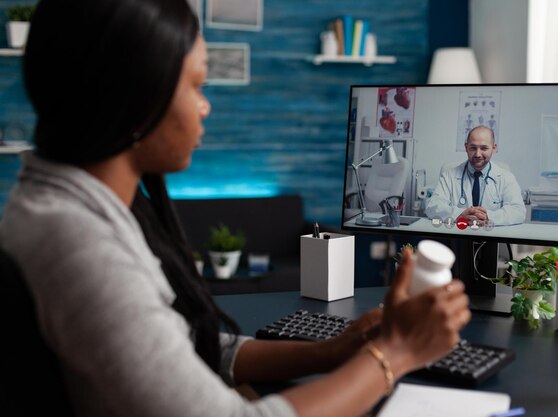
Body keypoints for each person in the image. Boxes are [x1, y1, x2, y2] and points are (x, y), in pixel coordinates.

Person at [0, 1, 471, 417]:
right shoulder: (82, 249)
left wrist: (335, 350)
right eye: (197, 86)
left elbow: (197, 350)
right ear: (137, 96)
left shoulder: (69, 206)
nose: (205, 108)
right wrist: (396, 354)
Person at [425, 126, 526, 226]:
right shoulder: (449, 175)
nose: (478, 154)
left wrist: (488, 217)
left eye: (484, 148)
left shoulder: (506, 177)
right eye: (473, 148)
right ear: (466, 147)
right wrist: (460, 214)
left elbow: (518, 211)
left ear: (494, 148)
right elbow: (433, 207)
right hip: (458, 236)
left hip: (492, 238)